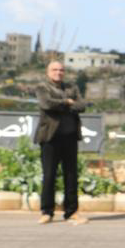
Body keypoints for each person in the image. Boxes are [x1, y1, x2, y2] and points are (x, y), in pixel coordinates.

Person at [34, 60, 88, 225]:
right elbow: (47, 104)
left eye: (61, 70)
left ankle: (71, 211)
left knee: (71, 175)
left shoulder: (72, 87)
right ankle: (47, 211)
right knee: (49, 175)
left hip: (70, 137)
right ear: (48, 72)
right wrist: (67, 102)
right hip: (50, 138)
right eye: (54, 69)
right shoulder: (42, 87)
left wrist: (64, 104)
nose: (58, 72)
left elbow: (82, 106)